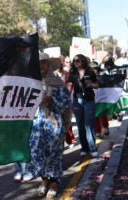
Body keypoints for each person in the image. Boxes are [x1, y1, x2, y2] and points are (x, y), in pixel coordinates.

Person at [27, 53, 71, 199]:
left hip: (53, 124)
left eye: (44, 63)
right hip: (36, 125)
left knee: (54, 154)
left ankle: (53, 183)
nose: (41, 66)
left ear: (49, 65)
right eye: (39, 64)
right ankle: (44, 181)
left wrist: (52, 100)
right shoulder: (30, 83)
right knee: (37, 153)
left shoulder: (57, 82)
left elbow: (66, 103)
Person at [67, 54, 99, 158]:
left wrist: (92, 85)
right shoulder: (72, 73)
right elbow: (69, 88)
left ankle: (92, 147)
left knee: (89, 124)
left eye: (78, 61)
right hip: (77, 100)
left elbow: (97, 85)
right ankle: (84, 148)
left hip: (89, 99)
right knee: (80, 125)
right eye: (74, 61)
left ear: (83, 61)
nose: (76, 62)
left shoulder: (90, 72)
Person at [55, 55, 76, 148]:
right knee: (58, 124)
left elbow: (70, 88)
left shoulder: (67, 74)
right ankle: (61, 143)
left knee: (67, 122)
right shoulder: (52, 75)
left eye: (60, 62)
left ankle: (70, 140)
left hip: (66, 101)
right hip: (55, 103)